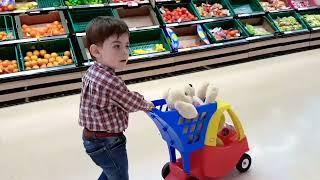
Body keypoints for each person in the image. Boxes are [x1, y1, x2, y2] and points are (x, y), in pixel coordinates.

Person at [79, 16, 154, 180]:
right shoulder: (110, 81)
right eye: (116, 46)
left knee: (110, 172)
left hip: (92, 138)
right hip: (108, 142)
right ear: (96, 51)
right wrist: (147, 105)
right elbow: (130, 102)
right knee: (119, 176)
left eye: (126, 46)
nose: (124, 52)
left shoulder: (93, 71)